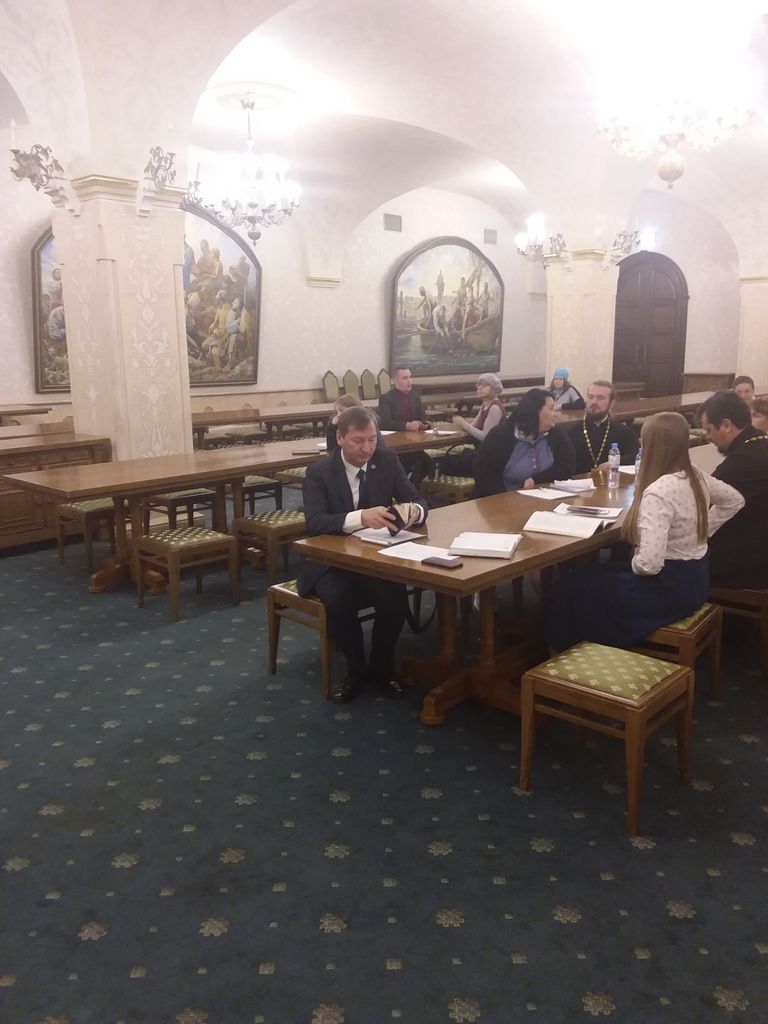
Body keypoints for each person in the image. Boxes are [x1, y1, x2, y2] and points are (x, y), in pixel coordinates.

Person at [550, 412, 744, 652]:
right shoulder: (696, 475)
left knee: (573, 584)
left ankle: (569, 652)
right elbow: (735, 500)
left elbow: (649, 565)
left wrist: (634, 561)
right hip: (695, 582)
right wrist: (703, 531)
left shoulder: (659, 492)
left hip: (665, 591)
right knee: (599, 573)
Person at [298, 407, 428, 704]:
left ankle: (382, 666)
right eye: (358, 441)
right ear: (340, 438)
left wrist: (414, 512)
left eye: (372, 439)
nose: (367, 448)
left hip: (373, 556)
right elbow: (315, 523)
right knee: (338, 599)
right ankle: (356, 669)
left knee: (394, 597)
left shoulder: (386, 459)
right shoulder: (319, 472)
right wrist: (360, 517)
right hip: (329, 560)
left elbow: (417, 498)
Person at [699, 390, 768, 587]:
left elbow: (703, 503)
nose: (707, 437)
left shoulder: (742, 462)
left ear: (727, 425)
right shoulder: (760, 443)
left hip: (751, 564)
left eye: (709, 430)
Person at [473, 387, 575, 497]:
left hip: (544, 497)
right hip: (503, 498)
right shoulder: (501, 435)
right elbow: (485, 476)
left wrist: (536, 479)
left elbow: (566, 468)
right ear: (534, 411)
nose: (555, 414)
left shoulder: (557, 434)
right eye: (551, 409)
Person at [568, 379, 638, 475]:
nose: (594, 402)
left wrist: (614, 463)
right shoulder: (571, 432)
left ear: (611, 403)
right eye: (591, 397)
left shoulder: (624, 432)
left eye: (600, 398)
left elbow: (636, 455)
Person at [377, 366, 432, 483]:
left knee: (427, 463)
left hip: (414, 443)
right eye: (405, 378)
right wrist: (406, 425)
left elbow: (423, 418)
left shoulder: (415, 396)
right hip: (395, 445)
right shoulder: (386, 398)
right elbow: (386, 422)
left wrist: (423, 424)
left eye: (410, 377)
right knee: (405, 464)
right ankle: (405, 487)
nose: (409, 381)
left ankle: (411, 487)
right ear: (394, 381)